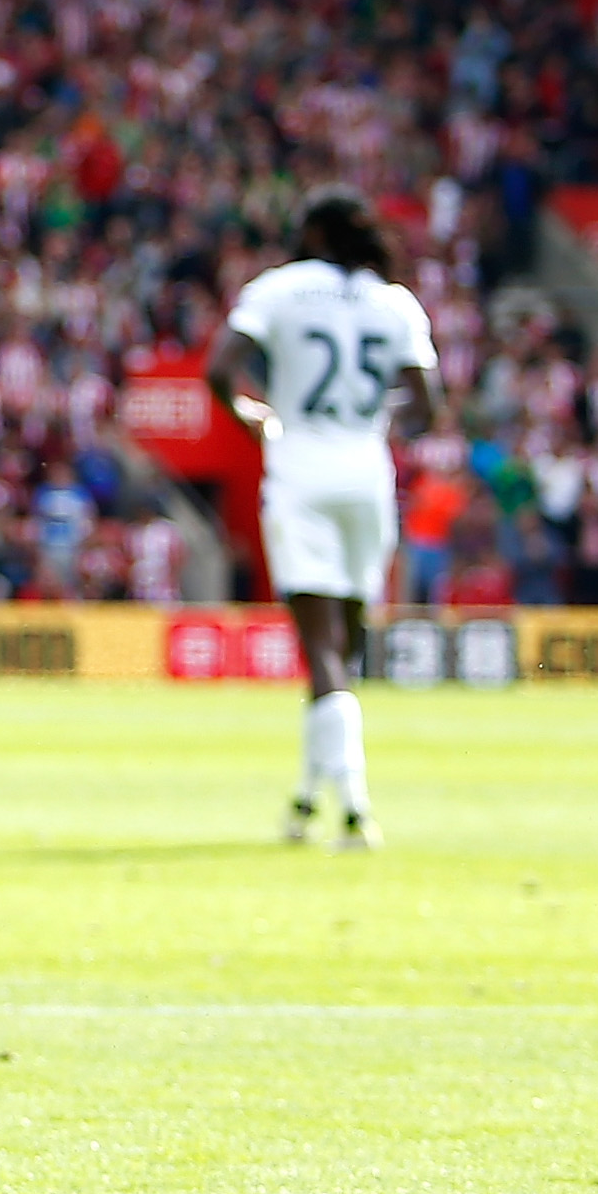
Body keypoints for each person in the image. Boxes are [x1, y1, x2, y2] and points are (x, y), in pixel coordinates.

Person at [207, 190, 444, 850]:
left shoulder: (279, 289)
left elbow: (219, 370)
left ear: (310, 232)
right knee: (347, 645)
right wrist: (370, 423)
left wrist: (255, 417)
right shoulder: (393, 301)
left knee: (322, 650)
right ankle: (310, 799)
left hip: (302, 471)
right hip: (368, 476)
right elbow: (428, 403)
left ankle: (356, 808)